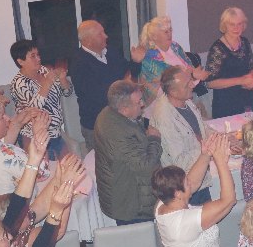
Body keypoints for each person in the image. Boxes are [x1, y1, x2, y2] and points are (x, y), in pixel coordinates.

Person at [68, 19, 142, 153]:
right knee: (105, 163)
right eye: (100, 34)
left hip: (121, 118)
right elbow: (98, 96)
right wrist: (124, 88)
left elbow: (128, 73)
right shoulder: (79, 63)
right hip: (98, 125)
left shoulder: (111, 52)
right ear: (88, 40)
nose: (106, 36)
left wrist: (136, 62)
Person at [94, 80, 161, 225]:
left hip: (127, 192)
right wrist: (154, 140)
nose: (143, 104)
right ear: (124, 109)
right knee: (143, 239)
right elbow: (147, 168)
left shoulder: (109, 112)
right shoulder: (118, 133)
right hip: (131, 205)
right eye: (138, 102)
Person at [149, 66, 214, 205]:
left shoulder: (185, 101)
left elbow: (201, 128)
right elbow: (179, 161)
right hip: (186, 186)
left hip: (200, 176)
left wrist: (222, 138)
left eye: (190, 80)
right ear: (173, 92)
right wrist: (209, 150)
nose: (192, 85)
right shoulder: (164, 118)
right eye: (187, 84)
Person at [9, 39, 73, 159]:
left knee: (70, 166)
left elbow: (67, 92)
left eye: (38, 54)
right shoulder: (19, 84)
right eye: (33, 56)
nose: (38, 58)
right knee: (45, 170)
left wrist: (63, 79)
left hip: (55, 133)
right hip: (34, 137)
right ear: (20, 61)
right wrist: (47, 83)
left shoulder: (43, 70)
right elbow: (33, 111)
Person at [139, 15, 208, 103]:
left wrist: (194, 74)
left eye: (170, 30)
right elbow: (168, 78)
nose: (169, 34)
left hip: (185, 91)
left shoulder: (175, 46)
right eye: (165, 32)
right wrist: (192, 75)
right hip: (162, 100)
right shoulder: (150, 55)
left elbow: (189, 65)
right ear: (155, 36)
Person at [204, 7, 253, 118]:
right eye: (232, 24)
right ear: (224, 25)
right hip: (226, 104)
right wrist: (241, 80)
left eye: (239, 24)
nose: (236, 28)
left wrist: (251, 78)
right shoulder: (218, 48)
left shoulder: (245, 42)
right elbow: (210, 83)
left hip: (247, 100)